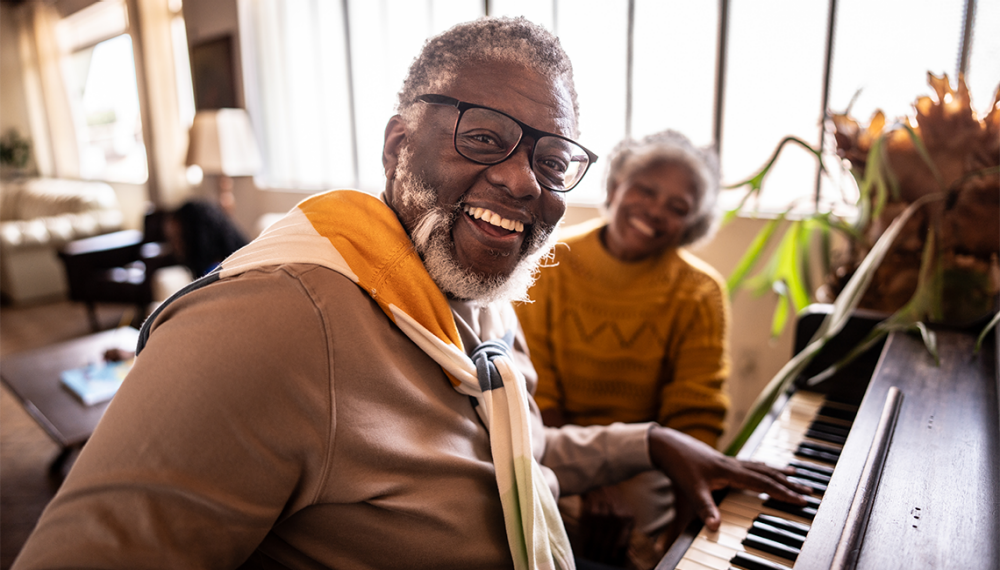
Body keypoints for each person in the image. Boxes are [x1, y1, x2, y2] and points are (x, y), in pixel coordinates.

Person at [14, 17, 806, 570]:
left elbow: (510, 456)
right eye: (484, 137)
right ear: (399, 144)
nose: (522, 181)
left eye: (552, 161)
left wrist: (651, 443)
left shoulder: (482, 300)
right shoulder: (275, 320)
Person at [515, 130, 729, 567]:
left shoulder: (700, 292)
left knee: (641, 540)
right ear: (614, 188)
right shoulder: (550, 262)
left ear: (692, 225)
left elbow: (695, 416)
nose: (655, 210)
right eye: (645, 190)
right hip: (553, 441)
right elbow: (537, 392)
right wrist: (593, 484)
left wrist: (681, 542)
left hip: (648, 458)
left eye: (678, 208)